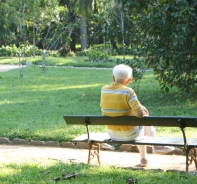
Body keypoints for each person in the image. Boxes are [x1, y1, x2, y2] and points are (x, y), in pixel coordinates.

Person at [100, 64, 175, 167]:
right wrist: (140, 108)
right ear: (129, 80)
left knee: (140, 125)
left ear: (113, 77)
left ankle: (145, 158)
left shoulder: (104, 90)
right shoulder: (128, 92)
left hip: (112, 134)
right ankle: (154, 148)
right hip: (130, 134)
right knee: (144, 119)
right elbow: (140, 114)